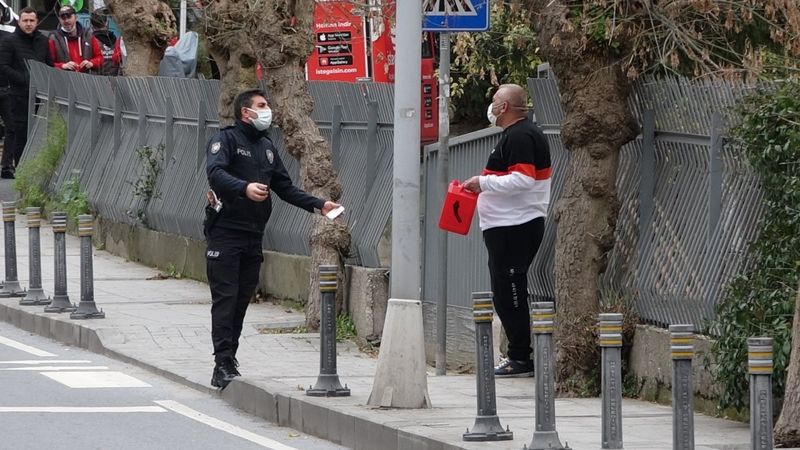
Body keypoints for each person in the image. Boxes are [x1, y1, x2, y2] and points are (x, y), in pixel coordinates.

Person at [204, 89, 341, 389]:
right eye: (262, 105)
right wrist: (244, 188)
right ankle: (221, 364)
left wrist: (319, 204)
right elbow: (215, 173)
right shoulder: (225, 140)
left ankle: (230, 358)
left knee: (241, 300)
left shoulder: (266, 147)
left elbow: (285, 187)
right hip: (226, 233)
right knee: (226, 300)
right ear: (246, 112)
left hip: (253, 235)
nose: (268, 110)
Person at [463, 83, 552, 378]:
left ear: (504, 107)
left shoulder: (521, 135)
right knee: (503, 291)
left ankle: (520, 357)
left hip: (516, 226)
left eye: (494, 100)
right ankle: (517, 355)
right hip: (507, 225)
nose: (490, 105)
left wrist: (482, 183)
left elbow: (523, 180)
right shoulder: (515, 134)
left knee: (510, 291)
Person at [0, 7, 51, 179]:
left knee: (38, 133)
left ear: (37, 22)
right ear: (19, 21)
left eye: (32, 20)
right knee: (19, 132)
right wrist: (23, 79)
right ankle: (21, 170)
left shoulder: (43, 41)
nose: (28, 24)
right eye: (25, 20)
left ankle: (35, 170)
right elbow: (3, 66)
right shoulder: (9, 41)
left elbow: (49, 64)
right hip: (17, 95)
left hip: (40, 96)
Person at [48, 5, 102, 73]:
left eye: (69, 17)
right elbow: (49, 64)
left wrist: (91, 63)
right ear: (59, 19)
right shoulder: (54, 38)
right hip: (65, 77)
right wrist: (63, 66)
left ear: (76, 17)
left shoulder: (88, 34)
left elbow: (100, 57)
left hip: (87, 77)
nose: (66, 21)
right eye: (63, 18)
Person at [89, 11, 122, 76]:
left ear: (91, 25)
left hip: (96, 78)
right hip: (115, 77)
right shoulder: (116, 40)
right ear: (107, 23)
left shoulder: (89, 41)